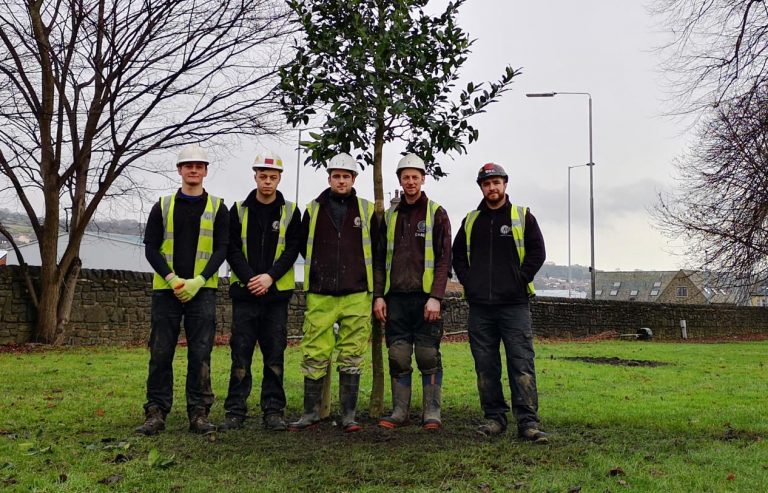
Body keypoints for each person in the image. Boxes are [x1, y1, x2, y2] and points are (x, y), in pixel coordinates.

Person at [452, 162, 549, 443]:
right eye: (486, 183)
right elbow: (458, 255)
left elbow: (537, 252)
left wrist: (519, 279)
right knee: (486, 365)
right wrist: (470, 282)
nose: (492, 188)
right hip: (480, 307)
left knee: (521, 363)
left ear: (505, 184)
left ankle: (528, 422)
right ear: (481, 187)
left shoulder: (522, 217)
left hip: (514, 305)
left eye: (496, 182)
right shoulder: (471, 220)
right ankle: (494, 418)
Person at [136, 144, 229, 435]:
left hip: (203, 291)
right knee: (161, 352)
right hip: (167, 291)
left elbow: (223, 248)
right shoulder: (162, 206)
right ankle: (156, 412)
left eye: (199, 166)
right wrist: (172, 279)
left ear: (205, 171)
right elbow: (151, 248)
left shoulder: (218, 206)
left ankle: (198, 414)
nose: (193, 170)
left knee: (200, 353)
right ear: (179, 170)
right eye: (188, 166)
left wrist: (200, 279)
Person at [288, 152, 378, 433]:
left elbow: (376, 248)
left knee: (352, 353)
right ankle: (310, 413)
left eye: (346, 176)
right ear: (329, 178)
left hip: (357, 292)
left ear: (354, 179)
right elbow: (303, 245)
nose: (341, 181)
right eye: (337, 176)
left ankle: (348, 415)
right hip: (321, 291)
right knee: (314, 352)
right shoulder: (312, 209)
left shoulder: (367, 210)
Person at [218, 153, 302, 432]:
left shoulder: (291, 211)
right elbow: (230, 247)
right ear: (255, 176)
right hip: (245, 294)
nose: (267, 181)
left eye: (273, 177)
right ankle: (235, 411)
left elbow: (293, 249)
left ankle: (274, 410)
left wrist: (269, 277)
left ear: (280, 178)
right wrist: (250, 278)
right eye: (263, 176)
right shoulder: (238, 210)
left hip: (276, 296)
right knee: (240, 355)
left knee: (274, 356)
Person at [373, 153, 451, 431]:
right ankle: (400, 411)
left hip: (426, 299)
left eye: (415, 177)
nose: (410, 182)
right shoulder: (390, 216)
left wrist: (436, 297)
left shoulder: (436, 212)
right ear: (400, 181)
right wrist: (379, 295)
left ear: (423, 179)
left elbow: (444, 258)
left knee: (428, 356)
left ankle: (432, 411)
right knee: (398, 355)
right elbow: (380, 259)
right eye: (405, 177)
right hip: (396, 300)